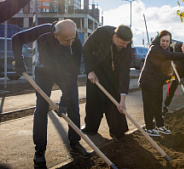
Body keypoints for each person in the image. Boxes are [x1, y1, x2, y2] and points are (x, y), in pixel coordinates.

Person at [12, 19, 92, 169]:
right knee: (42, 108)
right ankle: (39, 152)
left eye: (73, 38)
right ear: (55, 34)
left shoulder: (75, 43)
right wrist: (19, 61)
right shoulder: (42, 32)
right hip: (44, 70)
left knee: (73, 104)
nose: (71, 42)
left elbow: (73, 74)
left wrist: (63, 100)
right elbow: (16, 39)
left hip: (65, 72)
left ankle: (75, 143)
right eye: (67, 39)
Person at [138, 30, 184, 137]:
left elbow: (164, 65)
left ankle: (160, 126)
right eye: (163, 41)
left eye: (167, 41)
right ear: (159, 40)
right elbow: (169, 56)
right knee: (149, 106)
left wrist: (168, 74)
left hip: (157, 83)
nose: (165, 43)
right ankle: (149, 127)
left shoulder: (164, 50)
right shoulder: (155, 48)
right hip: (148, 82)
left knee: (158, 105)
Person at [81, 25, 133, 142]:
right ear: (115, 37)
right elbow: (86, 49)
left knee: (114, 102)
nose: (125, 46)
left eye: (127, 43)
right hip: (96, 71)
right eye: (122, 43)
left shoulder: (127, 45)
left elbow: (125, 71)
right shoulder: (101, 32)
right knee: (94, 101)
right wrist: (89, 71)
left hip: (114, 74)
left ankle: (117, 131)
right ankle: (90, 127)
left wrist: (123, 100)